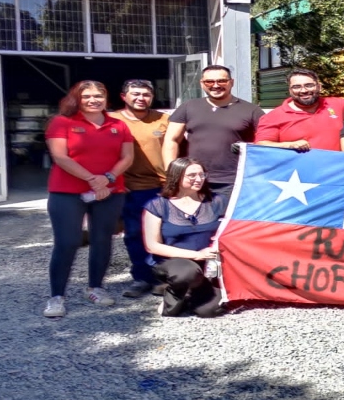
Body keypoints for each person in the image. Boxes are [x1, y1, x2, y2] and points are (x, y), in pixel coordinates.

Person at [43, 81, 134, 318]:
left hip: (109, 191)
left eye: (99, 95)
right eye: (87, 96)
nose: (94, 100)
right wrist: (93, 180)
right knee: (67, 242)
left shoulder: (118, 125)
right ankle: (56, 297)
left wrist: (108, 178)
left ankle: (95, 288)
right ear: (77, 99)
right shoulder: (62, 122)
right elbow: (60, 157)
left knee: (102, 240)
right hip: (67, 192)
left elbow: (127, 157)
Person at [143, 158, 228, 318]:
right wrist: (196, 255)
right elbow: (152, 246)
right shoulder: (157, 205)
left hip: (210, 263)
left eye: (202, 175)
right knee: (186, 274)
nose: (199, 179)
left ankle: (192, 290)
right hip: (174, 262)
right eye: (192, 175)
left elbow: (230, 231)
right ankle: (175, 290)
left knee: (209, 312)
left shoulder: (217, 201)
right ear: (177, 177)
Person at [163, 65, 263, 198]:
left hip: (234, 181)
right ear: (202, 83)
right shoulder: (188, 107)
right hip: (193, 179)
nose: (215, 85)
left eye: (222, 81)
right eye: (209, 82)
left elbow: (265, 143)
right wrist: (172, 172)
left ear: (231, 82)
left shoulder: (252, 110)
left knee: (226, 219)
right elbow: (171, 140)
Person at [109, 79, 168, 298]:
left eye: (145, 94)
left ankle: (163, 277)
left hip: (161, 187)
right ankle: (142, 278)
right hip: (128, 188)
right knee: (134, 234)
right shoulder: (111, 120)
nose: (140, 98)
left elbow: (178, 150)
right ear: (124, 96)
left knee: (164, 234)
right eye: (135, 94)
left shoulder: (164, 120)